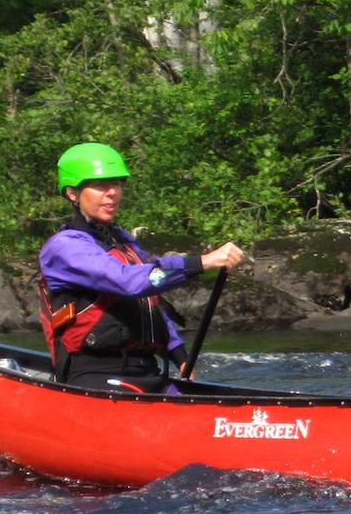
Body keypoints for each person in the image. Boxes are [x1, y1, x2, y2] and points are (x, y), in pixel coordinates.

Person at [36, 142, 246, 389]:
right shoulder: (64, 247)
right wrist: (200, 263)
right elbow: (127, 281)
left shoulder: (123, 242)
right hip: (94, 373)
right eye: (101, 186)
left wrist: (180, 357)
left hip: (145, 369)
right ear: (73, 193)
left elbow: (151, 299)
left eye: (116, 184)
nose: (112, 192)